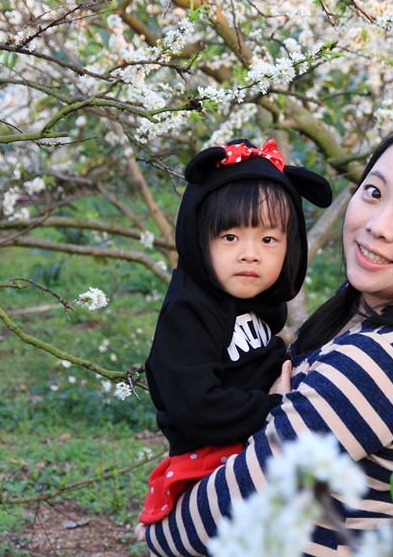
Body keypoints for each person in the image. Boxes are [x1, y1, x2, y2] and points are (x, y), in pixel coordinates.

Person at [144, 121, 393, 556]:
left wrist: (160, 529)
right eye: (374, 193)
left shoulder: (376, 365)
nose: (379, 225)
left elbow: (210, 523)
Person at [139, 138, 332, 526]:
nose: (250, 253)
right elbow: (195, 405)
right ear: (199, 239)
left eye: (268, 239)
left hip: (251, 446)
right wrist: (276, 409)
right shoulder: (189, 312)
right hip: (210, 461)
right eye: (230, 237)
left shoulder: (260, 306)